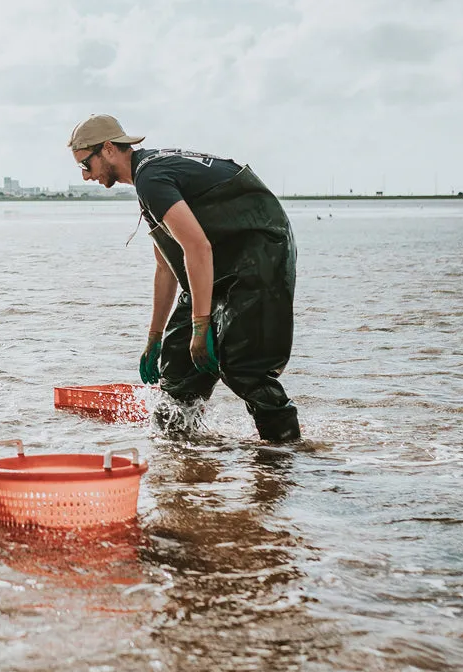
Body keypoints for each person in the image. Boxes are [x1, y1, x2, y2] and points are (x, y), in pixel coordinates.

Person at [68, 114, 300, 442]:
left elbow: (197, 247)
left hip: (259, 255)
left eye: (85, 164)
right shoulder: (148, 178)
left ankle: (284, 454)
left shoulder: (152, 176)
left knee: (242, 365)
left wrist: (202, 326)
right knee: (176, 367)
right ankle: (180, 460)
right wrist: (155, 337)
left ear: (108, 149)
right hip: (219, 261)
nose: (85, 175)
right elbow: (166, 268)